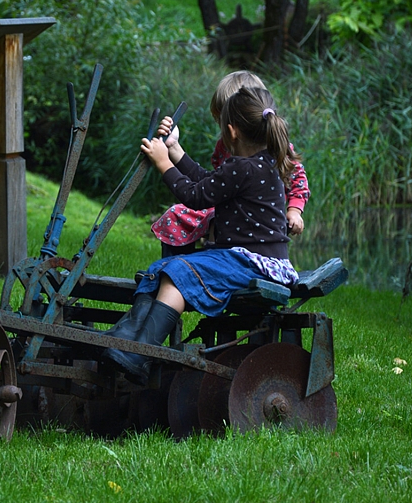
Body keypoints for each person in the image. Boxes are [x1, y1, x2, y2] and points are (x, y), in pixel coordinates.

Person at [102, 87, 300, 386]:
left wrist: (163, 163)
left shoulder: (242, 167)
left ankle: (140, 353)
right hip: (245, 258)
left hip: (254, 263)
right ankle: (126, 340)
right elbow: (209, 182)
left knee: (178, 272)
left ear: (231, 132)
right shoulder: (261, 162)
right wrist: (175, 150)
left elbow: (195, 195)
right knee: (158, 270)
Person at [151, 71, 310, 257]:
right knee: (176, 215)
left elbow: (298, 178)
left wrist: (294, 210)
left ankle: (189, 271)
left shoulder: (277, 149)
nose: (222, 128)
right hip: (227, 206)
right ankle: (174, 269)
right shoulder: (225, 147)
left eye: (224, 120)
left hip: (254, 221)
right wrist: (173, 147)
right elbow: (211, 181)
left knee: (213, 222)